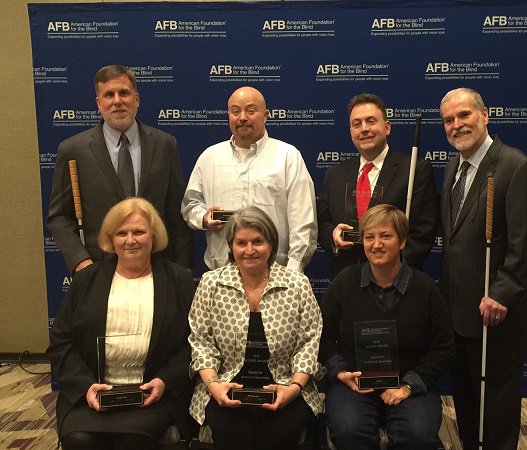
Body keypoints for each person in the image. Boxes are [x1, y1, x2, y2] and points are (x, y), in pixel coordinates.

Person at [47, 198, 196, 450]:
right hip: (92, 394)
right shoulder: (86, 280)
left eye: (138, 232)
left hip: (151, 394)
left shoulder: (179, 280)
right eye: (122, 233)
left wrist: (164, 381)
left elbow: (194, 343)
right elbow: (61, 342)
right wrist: (86, 386)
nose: (130, 240)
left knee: (133, 441)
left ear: (154, 236)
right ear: (111, 238)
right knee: (80, 440)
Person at [439, 87, 527, 450]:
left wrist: (501, 294)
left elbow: (522, 242)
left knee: (496, 402)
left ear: (485, 115)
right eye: (448, 120)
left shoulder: (514, 166)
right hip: (458, 309)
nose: (456, 125)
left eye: (464, 115)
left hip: (493, 310)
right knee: (467, 398)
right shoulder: (454, 166)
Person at [319, 204, 454, 450]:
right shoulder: (344, 284)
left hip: (407, 384)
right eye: (369, 237)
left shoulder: (425, 289)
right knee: (349, 431)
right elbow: (322, 337)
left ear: (402, 242)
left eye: (386, 236)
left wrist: (410, 385)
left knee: (417, 436)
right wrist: (340, 372)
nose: (376, 244)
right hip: (354, 382)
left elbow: (443, 348)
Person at [188, 206, 322, 450]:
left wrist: (292, 389)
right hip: (225, 386)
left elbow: (309, 344)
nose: (249, 250)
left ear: (271, 243)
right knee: (232, 435)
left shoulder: (297, 285)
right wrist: (213, 385)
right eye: (241, 242)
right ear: (231, 246)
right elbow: (201, 342)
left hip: (284, 385)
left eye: (257, 241)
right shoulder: (211, 283)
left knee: (277, 436)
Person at [47, 64, 194, 274]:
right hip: (98, 269)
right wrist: (81, 262)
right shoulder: (73, 150)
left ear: (137, 99)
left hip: (157, 267)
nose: (117, 101)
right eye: (109, 95)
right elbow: (59, 217)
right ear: (99, 103)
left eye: (124, 93)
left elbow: (176, 215)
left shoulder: (164, 144)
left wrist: (183, 271)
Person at [181, 86, 317, 272]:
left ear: (266, 115)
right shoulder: (210, 157)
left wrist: (293, 271)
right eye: (235, 111)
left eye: (251, 111)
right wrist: (203, 218)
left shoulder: (287, 156)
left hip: (276, 275)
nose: (242, 117)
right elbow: (190, 204)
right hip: (221, 275)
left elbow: (303, 219)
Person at [317, 93, 437, 278]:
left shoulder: (413, 170)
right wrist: (333, 235)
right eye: (357, 124)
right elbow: (322, 222)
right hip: (347, 281)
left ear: (387, 127)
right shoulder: (335, 174)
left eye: (371, 121)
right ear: (351, 131)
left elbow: (423, 231)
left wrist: (390, 269)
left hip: (397, 282)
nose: (364, 129)